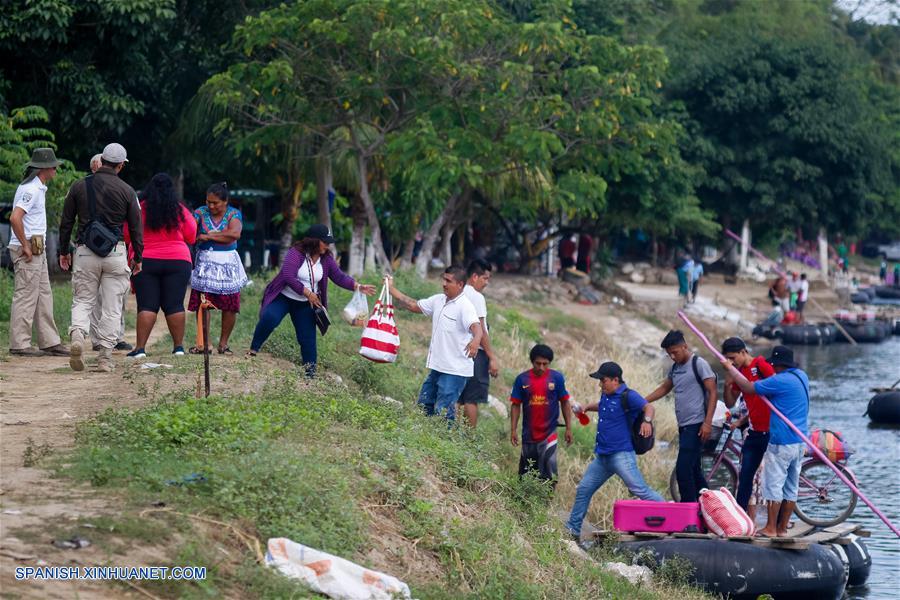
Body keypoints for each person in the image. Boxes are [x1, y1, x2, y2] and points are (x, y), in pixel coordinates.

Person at [59, 142, 142, 373]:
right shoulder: (127, 190)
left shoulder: (78, 187)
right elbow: (136, 227)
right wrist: (138, 257)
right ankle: (105, 357)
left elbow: (66, 222)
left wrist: (64, 252)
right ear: (121, 166)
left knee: (83, 300)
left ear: (101, 160)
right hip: (115, 252)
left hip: (85, 252)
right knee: (112, 307)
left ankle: (77, 335)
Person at [249, 224, 375, 376]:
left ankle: (310, 375)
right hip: (285, 297)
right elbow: (288, 275)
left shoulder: (326, 258)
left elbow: (339, 276)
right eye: (325, 242)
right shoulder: (295, 253)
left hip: (305, 304)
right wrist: (308, 293)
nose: (328, 246)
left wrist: (358, 286)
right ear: (314, 241)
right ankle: (253, 349)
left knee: (307, 340)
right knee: (269, 318)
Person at [566, 361, 663, 540]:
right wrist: (587, 407)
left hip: (621, 455)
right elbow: (603, 406)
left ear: (615, 380)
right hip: (602, 457)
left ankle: (669, 515)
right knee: (584, 489)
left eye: (603, 380)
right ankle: (572, 530)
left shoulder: (629, 395)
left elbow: (649, 407)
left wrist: (647, 421)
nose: (600, 384)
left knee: (640, 490)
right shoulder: (607, 394)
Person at [722, 346, 809, 537]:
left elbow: (748, 388)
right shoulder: (802, 376)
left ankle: (770, 528)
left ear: (778, 365)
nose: (772, 368)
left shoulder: (779, 380)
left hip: (782, 441)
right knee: (791, 486)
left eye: (774, 365)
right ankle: (782, 529)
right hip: (800, 440)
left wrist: (729, 369)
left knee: (773, 485)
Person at [389, 267, 483, 423]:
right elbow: (413, 305)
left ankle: (443, 442)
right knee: (425, 405)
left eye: (448, 281)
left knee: (443, 414)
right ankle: (425, 442)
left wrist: (476, 340)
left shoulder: (465, 306)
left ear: (460, 285)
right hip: (438, 367)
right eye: (443, 279)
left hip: (454, 371)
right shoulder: (438, 300)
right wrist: (391, 289)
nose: (444, 283)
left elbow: (476, 327)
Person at [123, 174, 197, 358]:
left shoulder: (141, 209)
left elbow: (127, 233)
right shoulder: (179, 210)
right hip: (178, 261)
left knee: (147, 305)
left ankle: (140, 349)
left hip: (146, 260)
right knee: (174, 305)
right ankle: (178, 348)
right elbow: (192, 234)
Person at [644, 330, 718, 503]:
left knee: (683, 470)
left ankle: (688, 512)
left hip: (697, 425)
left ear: (685, 346)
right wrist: (642, 401)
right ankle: (708, 508)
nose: (672, 356)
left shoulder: (699, 364)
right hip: (684, 425)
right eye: (669, 353)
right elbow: (664, 388)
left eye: (675, 352)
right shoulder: (675, 368)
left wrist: (707, 423)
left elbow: (713, 392)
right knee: (693, 470)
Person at [7, 148, 69, 357]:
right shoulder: (31, 190)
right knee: (25, 295)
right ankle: (20, 344)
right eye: (53, 167)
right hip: (28, 250)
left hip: (36, 249)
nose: (55, 170)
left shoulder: (37, 187)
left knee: (43, 295)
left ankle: (49, 341)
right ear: (45, 168)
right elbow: (15, 218)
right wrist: (24, 245)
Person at [188, 182, 247, 355]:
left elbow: (235, 234)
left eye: (215, 203)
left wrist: (208, 236)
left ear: (225, 201)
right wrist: (222, 236)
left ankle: (223, 344)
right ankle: (205, 343)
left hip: (227, 263)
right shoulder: (200, 212)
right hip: (205, 263)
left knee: (229, 305)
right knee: (204, 303)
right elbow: (190, 230)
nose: (211, 206)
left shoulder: (233, 214)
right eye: (208, 202)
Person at [721, 337, 775, 512]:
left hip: (772, 431)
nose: (731, 362)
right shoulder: (738, 372)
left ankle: (778, 522)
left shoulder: (761, 365)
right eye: (727, 359)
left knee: (773, 478)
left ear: (743, 352)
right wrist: (728, 384)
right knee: (744, 477)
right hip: (754, 431)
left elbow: (777, 388)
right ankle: (740, 518)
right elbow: (730, 402)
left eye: (733, 358)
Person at [509, 344, 572, 483]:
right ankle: (524, 501)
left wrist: (568, 428)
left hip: (549, 433)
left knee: (550, 473)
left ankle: (546, 502)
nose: (541, 367)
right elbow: (515, 405)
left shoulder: (557, 378)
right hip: (528, 435)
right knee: (526, 474)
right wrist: (513, 430)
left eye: (545, 364)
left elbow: (565, 402)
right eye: (538, 363)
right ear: (532, 362)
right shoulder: (522, 379)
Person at [87, 153, 130, 352]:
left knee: (115, 298)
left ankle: (115, 338)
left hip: (113, 250)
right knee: (96, 299)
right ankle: (99, 340)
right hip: (96, 251)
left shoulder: (121, 190)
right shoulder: (85, 190)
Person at [456, 259, 499, 427]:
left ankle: (449, 433)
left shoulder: (457, 292)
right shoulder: (476, 297)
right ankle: (469, 441)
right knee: (471, 399)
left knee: (457, 396)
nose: (486, 283)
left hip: (457, 350)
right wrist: (491, 356)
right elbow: (481, 329)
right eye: (485, 278)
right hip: (476, 352)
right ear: (474, 277)